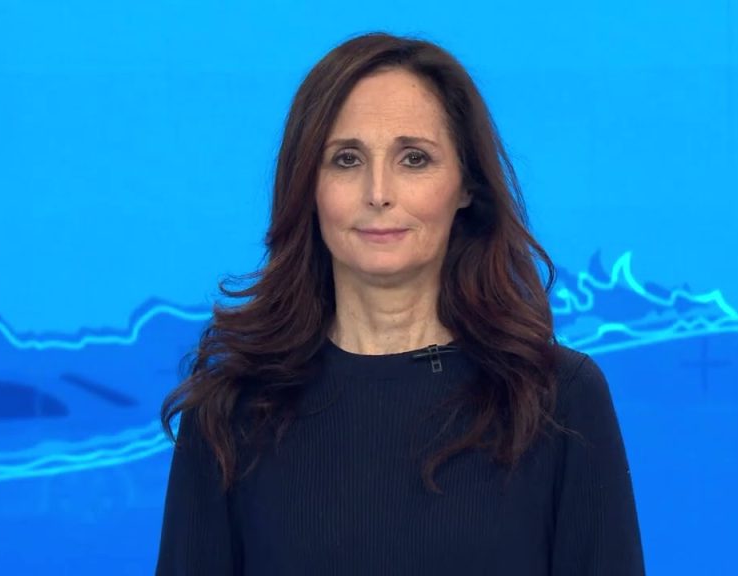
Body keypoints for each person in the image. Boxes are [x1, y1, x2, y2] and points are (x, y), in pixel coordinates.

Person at [155, 32, 645, 575]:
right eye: (346, 159)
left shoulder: (556, 399)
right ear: (307, 185)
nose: (378, 192)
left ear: (466, 185)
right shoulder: (230, 410)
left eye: (414, 158)